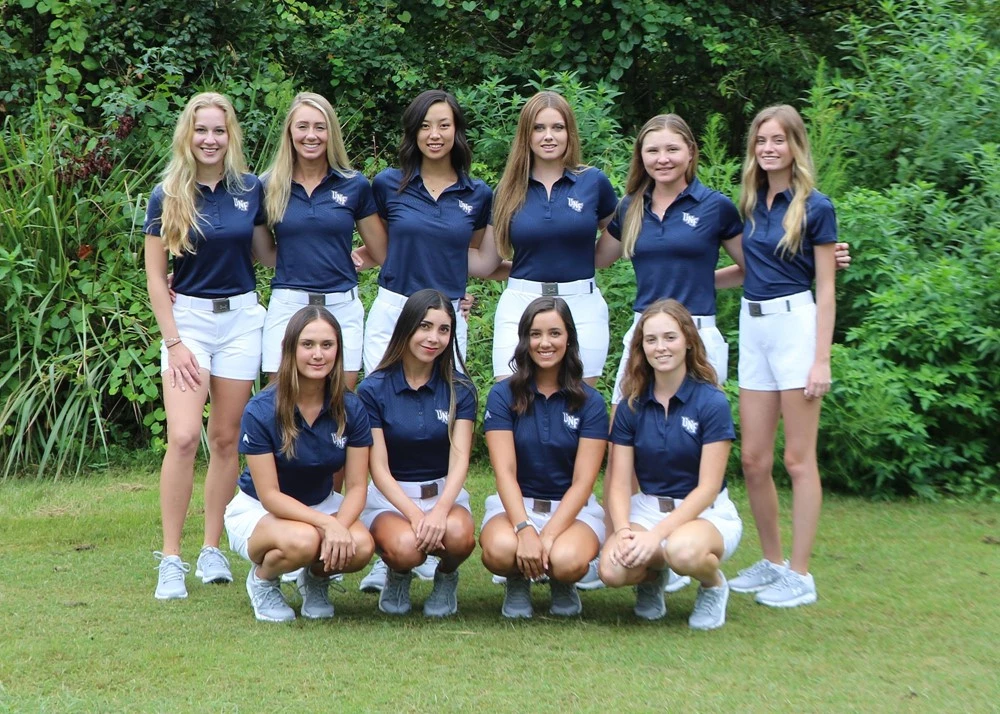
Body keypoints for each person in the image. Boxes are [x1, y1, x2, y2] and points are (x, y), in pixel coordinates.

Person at [144, 92, 275, 600]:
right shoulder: (168, 193)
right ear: (188, 134)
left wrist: (335, 256)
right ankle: (171, 557)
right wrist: (173, 342)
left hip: (242, 319)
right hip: (190, 325)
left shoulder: (251, 189)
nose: (210, 139)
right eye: (201, 130)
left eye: (219, 130)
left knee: (226, 439)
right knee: (182, 438)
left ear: (231, 134)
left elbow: (267, 256)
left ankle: (211, 548)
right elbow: (157, 278)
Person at [728, 104, 836, 608]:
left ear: (796, 144)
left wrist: (821, 360)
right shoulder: (750, 203)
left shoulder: (816, 206)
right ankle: (772, 562)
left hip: (796, 326)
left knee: (797, 459)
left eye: (778, 140)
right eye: (760, 140)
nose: (768, 148)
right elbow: (749, 272)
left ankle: (801, 573)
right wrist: (684, 283)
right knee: (753, 459)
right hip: (753, 327)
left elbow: (827, 287)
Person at [224, 307, 374, 622]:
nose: (318, 354)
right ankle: (263, 580)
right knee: (302, 540)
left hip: (323, 504)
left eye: (327, 345)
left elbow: (358, 485)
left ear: (338, 350)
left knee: (360, 546)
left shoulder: (352, 408)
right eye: (308, 345)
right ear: (291, 349)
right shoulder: (261, 409)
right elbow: (270, 495)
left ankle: (315, 579)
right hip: (261, 511)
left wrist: (338, 524)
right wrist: (327, 525)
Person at [599, 300, 742, 628]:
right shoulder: (630, 405)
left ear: (689, 341)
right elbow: (619, 483)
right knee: (611, 569)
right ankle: (651, 580)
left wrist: (657, 536)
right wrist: (623, 532)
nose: (660, 347)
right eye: (651, 340)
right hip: (647, 509)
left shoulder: (711, 402)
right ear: (641, 348)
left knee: (683, 552)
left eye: (669, 337)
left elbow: (707, 488)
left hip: (706, 513)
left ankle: (713, 585)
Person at [479, 297, 608, 618]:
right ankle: (517, 580)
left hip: (573, 513)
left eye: (554, 333)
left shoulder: (590, 402)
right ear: (525, 340)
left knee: (567, 561)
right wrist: (525, 530)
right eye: (536, 334)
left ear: (569, 339)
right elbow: (504, 472)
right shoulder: (502, 395)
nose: (545, 343)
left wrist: (547, 536)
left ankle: (562, 582)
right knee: (498, 551)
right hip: (517, 508)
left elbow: (584, 481)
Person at [356, 290, 477, 617]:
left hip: (443, 496)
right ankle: (398, 573)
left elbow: (460, 458)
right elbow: (378, 467)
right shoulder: (373, 389)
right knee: (407, 548)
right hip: (391, 499)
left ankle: (447, 575)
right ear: (407, 327)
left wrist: (439, 511)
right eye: (425, 326)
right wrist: (414, 515)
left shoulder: (460, 388)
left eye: (443, 329)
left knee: (460, 536)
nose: (433, 338)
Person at [484, 90, 618, 385]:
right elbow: (487, 261)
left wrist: (592, 257)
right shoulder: (507, 190)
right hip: (521, 301)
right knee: (510, 395)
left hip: (581, 303)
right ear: (526, 135)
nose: (549, 136)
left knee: (577, 402)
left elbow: (618, 231)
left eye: (557, 127)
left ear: (569, 133)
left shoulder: (592, 181)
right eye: (539, 128)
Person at [359, 89, 492, 374]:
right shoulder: (387, 184)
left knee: (444, 406)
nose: (435, 134)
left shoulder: (477, 194)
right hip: (394, 310)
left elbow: (467, 254)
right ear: (413, 131)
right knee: (380, 404)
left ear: (456, 130)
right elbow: (381, 248)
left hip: (445, 317)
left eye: (444, 125)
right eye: (425, 126)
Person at [260, 92, 386, 389]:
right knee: (280, 408)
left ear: (331, 133)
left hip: (342, 307)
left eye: (320, 127)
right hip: (288, 306)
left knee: (339, 407)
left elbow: (382, 251)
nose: (311, 135)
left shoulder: (354, 184)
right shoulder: (268, 185)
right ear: (290, 131)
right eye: (302, 126)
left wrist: (350, 256)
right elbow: (260, 251)